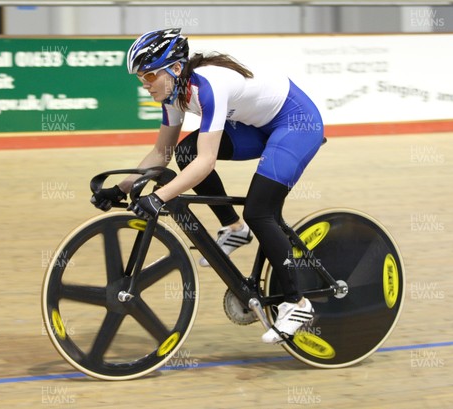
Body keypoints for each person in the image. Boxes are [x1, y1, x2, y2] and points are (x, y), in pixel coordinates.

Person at [91, 28, 324, 344]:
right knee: (185, 151)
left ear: (174, 68)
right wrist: (121, 188)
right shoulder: (174, 92)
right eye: (140, 79)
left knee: (261, 211)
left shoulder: (206, 87)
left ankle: (297, 303)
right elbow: (163, 153)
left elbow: (207, 162)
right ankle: (233, 226)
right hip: (257, 125)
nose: (144, 85)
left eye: (147, 76)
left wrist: (158, 198)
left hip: (296, 123)